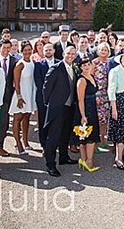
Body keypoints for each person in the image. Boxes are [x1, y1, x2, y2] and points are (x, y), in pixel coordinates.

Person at [41, 46, 80, 177]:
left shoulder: (74, 67)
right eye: (68, 53)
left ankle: (63, 157)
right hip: (57, 107)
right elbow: (46, 88)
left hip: (69, 107)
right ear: (63, 53)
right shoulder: (56, 68)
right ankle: (50, 164)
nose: (71, 55)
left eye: (73, 54)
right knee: (53, 136)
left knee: (65, 134)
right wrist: (50, 104)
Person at [73, 57, 103, 173]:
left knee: (86, 135)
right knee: (88, 136)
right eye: (84, 65)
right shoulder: (81, 80)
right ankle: (88, 161)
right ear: (80, 67)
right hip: (85, 109)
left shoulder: (91, 76)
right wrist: (83, 115)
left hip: (92, 107)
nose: (86, 67)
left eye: (88, 64)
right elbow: (80, 100)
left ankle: (84, 159)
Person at [9, 41, 38, 155]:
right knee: (17, 119)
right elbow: (16, 82)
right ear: (21, 51)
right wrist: (19, 97)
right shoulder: (20, 64)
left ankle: (26, 143)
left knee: (26, 118)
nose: (27, 52)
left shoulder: (32, 62)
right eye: (25, 50)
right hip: (20, 95)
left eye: (29, 49)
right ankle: (18, 144)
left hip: (29, 94)